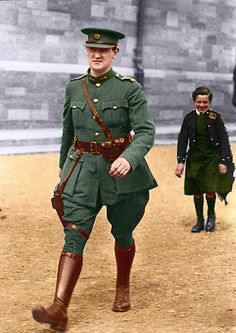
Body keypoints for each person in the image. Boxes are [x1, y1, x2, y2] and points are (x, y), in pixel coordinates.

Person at [32, 27, 157, 331]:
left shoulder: (130, 89)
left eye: (104, 51)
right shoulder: (75, 88)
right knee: (74, 234)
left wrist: (129, 158)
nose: (97, 55)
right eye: (92, 50)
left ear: (115, 53)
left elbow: (146, 131)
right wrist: (64, 169)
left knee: (123, 232)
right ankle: (59, 309)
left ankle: (122, 286)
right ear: (87, 52)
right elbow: (68, 132)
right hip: (83, 169)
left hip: (122, 172)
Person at [175, 86, 234, 233]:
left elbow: (224, 141)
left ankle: (211, 216)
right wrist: (180, 162)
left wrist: (223, 162)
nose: (202, 105)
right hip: (195, 159)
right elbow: (182, 141)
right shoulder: (189, 118)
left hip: (211, 159)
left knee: (210, 189)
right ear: (194, 101)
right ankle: (200, 220)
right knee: (196, 191)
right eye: (199, 102)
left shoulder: (215, 118)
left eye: (205, 102)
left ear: (209, 102)